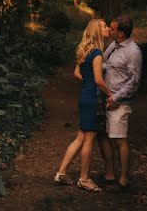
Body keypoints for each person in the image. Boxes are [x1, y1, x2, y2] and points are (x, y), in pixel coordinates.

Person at [54, 18, 112, 192]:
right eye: (104, 26)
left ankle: (61, 173)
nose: (108, 28)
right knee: (89, 138)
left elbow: (76, 73)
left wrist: (88, 83)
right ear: (96, 31)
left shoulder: (85, 50)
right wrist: (111, 95)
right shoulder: (97, 53)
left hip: (85, 96)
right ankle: (84, 179)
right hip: (94, 98)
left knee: (81, 137)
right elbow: (99, 80)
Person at [98, 15, 142, 193]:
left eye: (112, 28)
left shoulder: (133, 52)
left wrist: (115, 98)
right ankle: (109, 175)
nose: (109, 29)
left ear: (121, 34)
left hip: (119, 103)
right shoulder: (113, 45)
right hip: (105, 99)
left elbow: (134, 81)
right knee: (103, 137)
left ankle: (123, 180)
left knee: (118, 139)